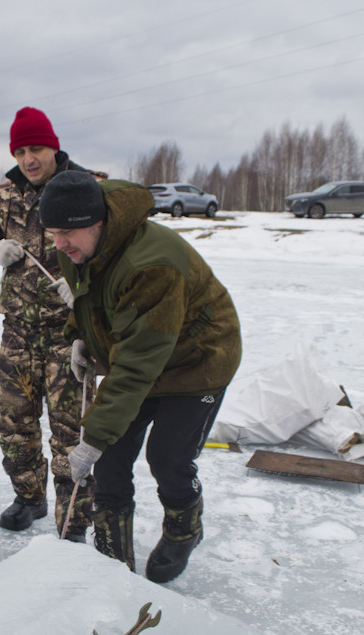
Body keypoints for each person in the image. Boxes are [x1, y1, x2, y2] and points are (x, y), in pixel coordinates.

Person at [39, 172, 242, 582]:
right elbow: (94, 303)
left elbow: (136, 364)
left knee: (168, 458)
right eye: (52, 233)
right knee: (111, 461)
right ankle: (112, 566)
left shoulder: (153, 264)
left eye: (66, 233)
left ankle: (184, 528)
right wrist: (80, 338)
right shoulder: (78, 245)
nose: (58, 244)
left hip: (195, 362)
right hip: (142, 350)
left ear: (96, 222)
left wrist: (92, 437)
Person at [0, 107, 106, 540]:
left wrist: (85, 289)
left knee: (71, 434)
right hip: (18, 335)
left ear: (53, 146)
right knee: (15, 423)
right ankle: (29, 497)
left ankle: (73, 522)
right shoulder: (4, 197)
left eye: (36, 148)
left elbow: (117, 250)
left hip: (70, 337)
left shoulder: (88, 188)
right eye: (20, 151)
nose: (28, 159)